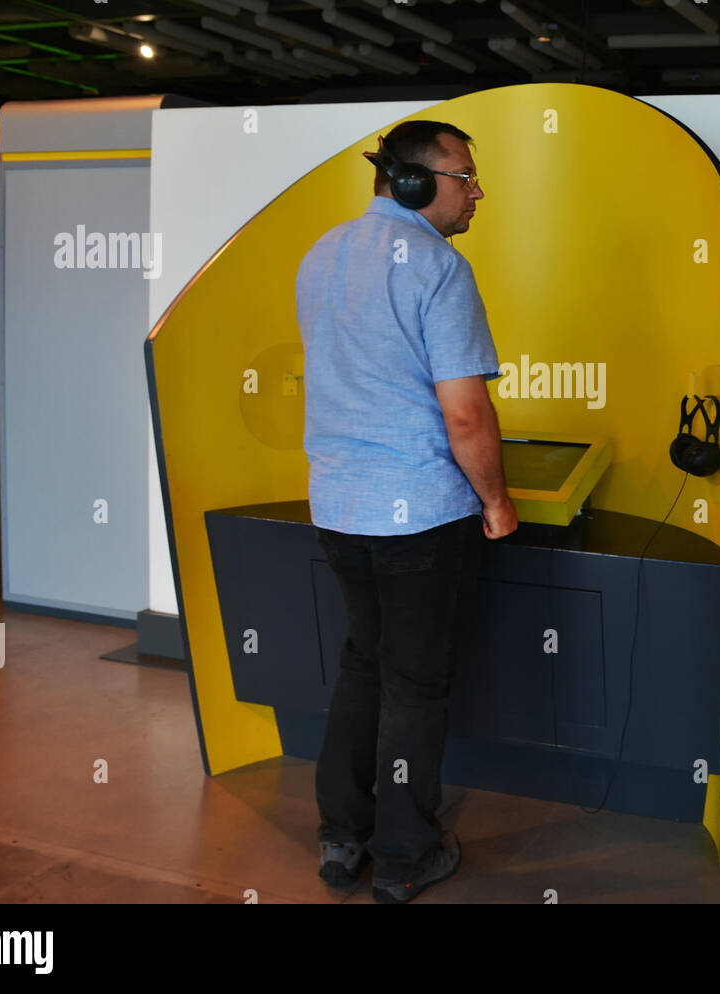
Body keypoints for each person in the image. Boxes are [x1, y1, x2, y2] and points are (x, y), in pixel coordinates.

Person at [295, 119, 518, 904]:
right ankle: (403, 857)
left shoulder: (321, 254)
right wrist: (495, 500)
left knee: (363, 664)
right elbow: (465, 416)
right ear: (418, 183)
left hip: (338, 506)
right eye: (465, 174)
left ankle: (341, 839)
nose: (477, 190)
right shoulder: (439, 267)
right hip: (419, 513)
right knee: (415, 685)